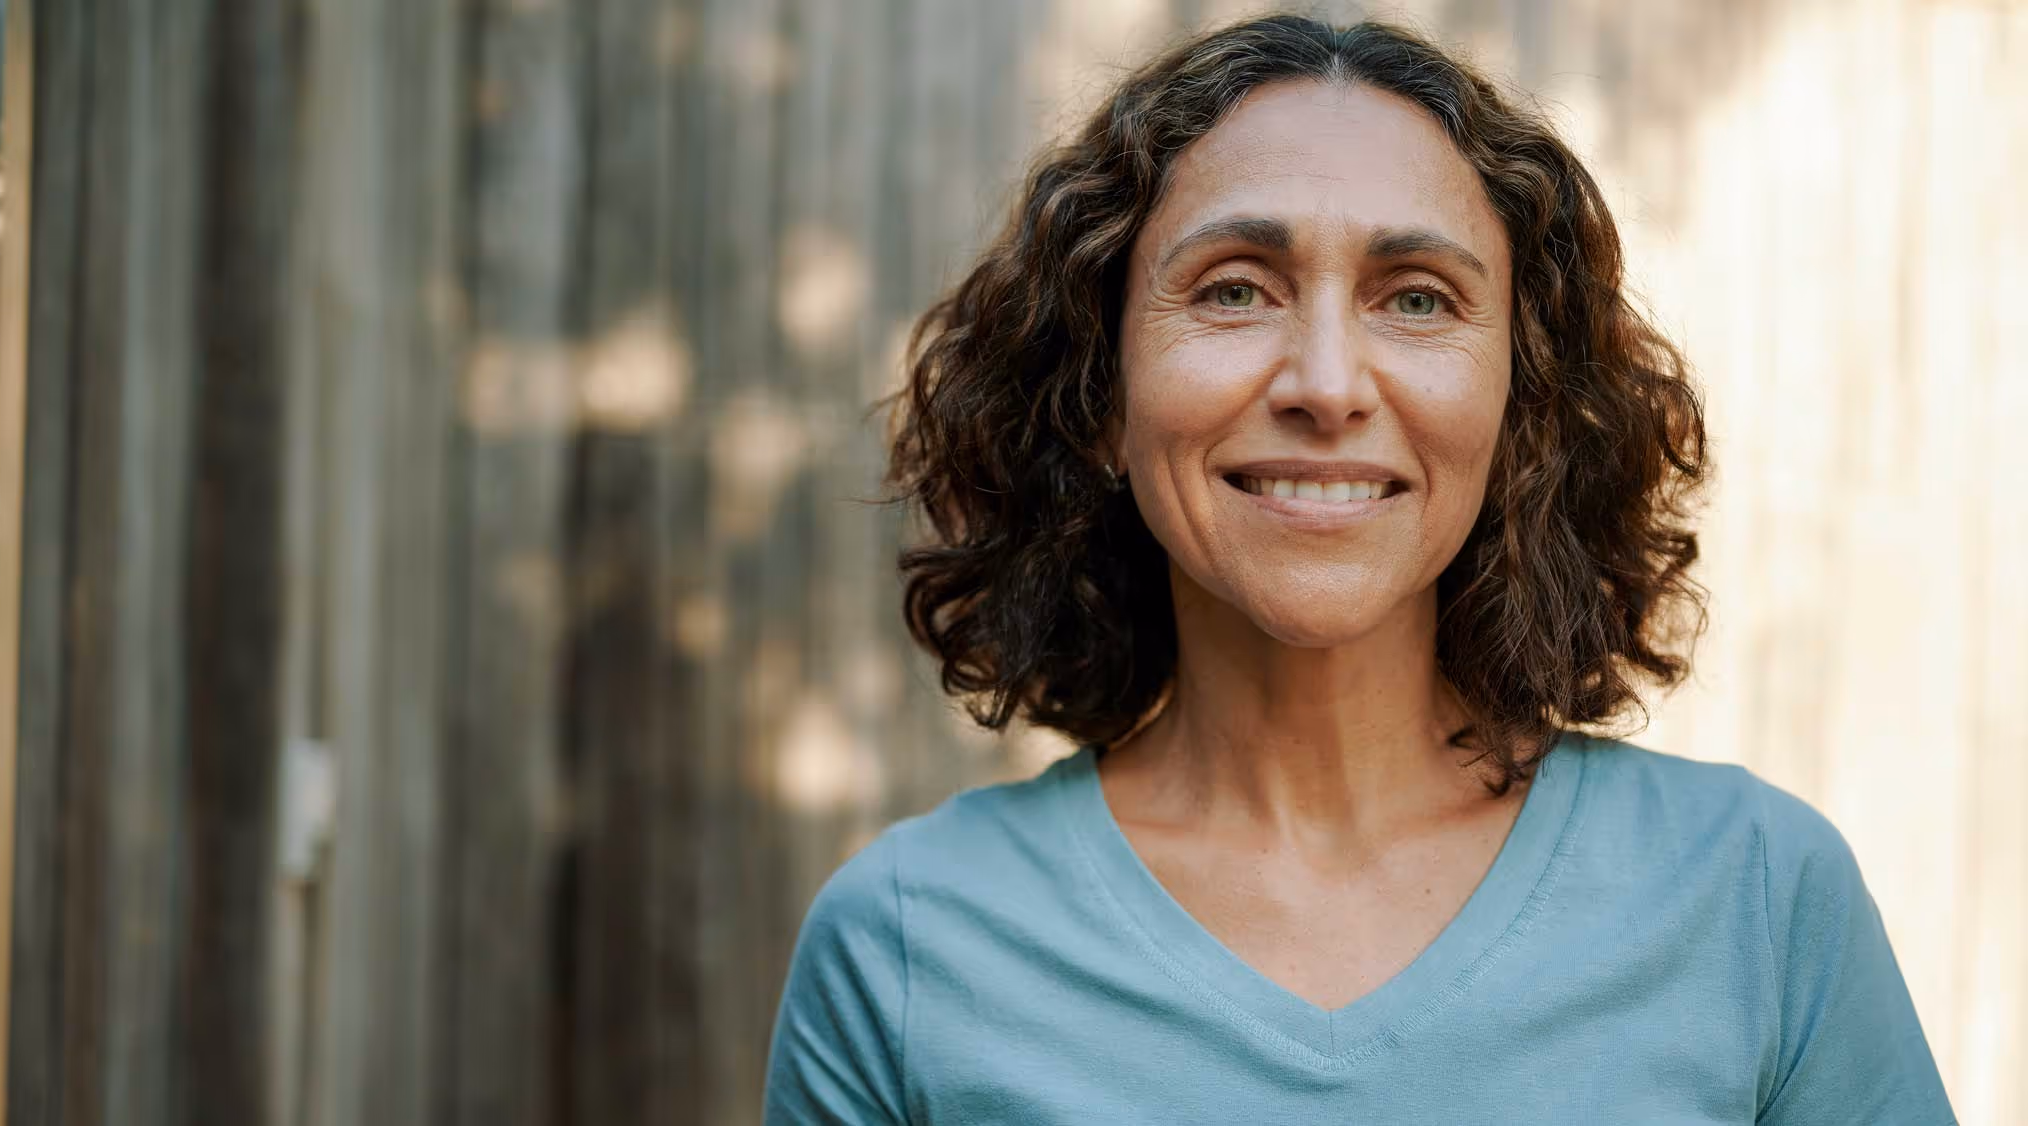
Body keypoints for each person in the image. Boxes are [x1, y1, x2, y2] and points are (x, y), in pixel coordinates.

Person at [763, 15, 1953, 1124]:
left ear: (1517, 406)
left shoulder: (1754, 899)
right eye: (1234, 288)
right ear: (1096, 397)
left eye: (1416, 299)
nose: (1325, 383)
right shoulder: (906, 947)